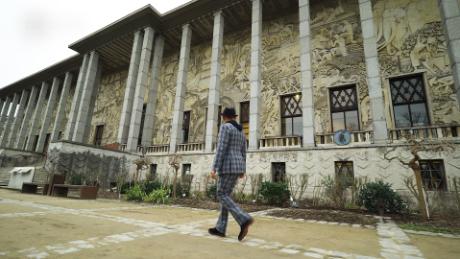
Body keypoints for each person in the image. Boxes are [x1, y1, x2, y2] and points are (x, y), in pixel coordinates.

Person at [208, 107, 253, 241]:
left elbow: (221, 148)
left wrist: (214, 167)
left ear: (224, 117)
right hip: (237, 166)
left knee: (221, 194)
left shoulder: (225, 127)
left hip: (227, 166)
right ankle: (221, 228)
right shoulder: (241, 131)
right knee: (225, 196)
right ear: (234, 116)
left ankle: (244, 218)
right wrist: (242, 169)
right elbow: (244, 151)